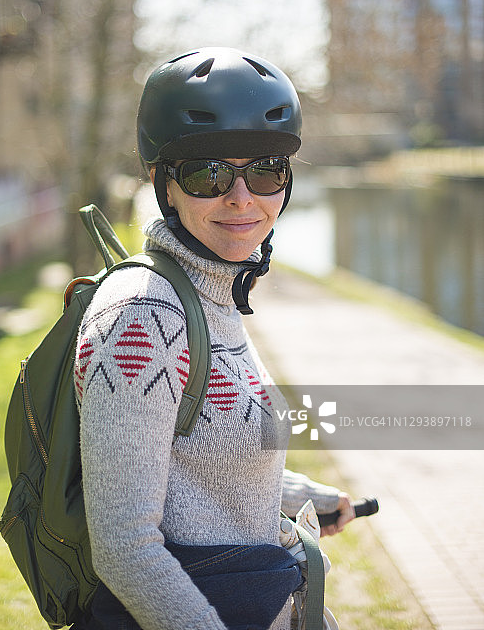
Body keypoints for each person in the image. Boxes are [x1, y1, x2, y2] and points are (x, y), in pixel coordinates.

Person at [73, 47, 355, 630]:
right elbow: (126, 549)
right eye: (208, 174)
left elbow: (195, 462)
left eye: (266, 171)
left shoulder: (212, 296)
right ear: (162, 184)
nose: (242, 198)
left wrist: (297, 492)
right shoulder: (142, 319)